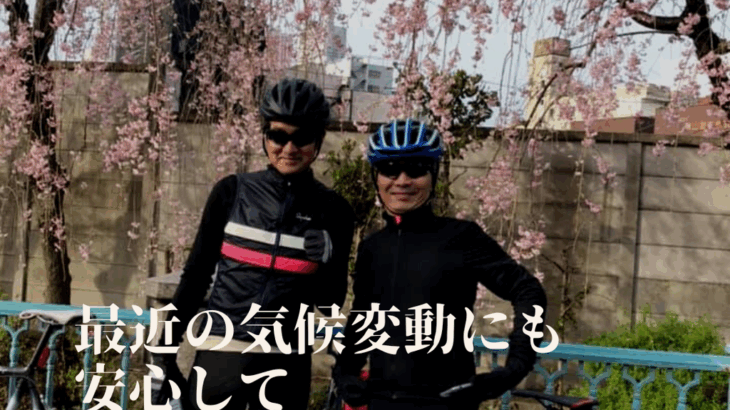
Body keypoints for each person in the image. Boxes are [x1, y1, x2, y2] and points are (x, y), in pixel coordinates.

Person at [155, 78, 356, 410]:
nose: (289, 148)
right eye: (278, 136)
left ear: (318, 141)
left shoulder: (335, 211)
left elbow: (330, 303)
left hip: (287, 362)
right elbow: (196, 276)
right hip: (222, 353)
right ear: (264, 136)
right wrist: (164, 351)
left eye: (301, 138)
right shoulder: (230, 192)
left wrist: (327, 262)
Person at [332, 119, 548, 410]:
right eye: (390, 169)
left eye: (416, 169)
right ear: (376, 177)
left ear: (432, 175)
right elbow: (363, 318)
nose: (402, 181)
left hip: (446, 402)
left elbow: (529, 290)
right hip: (381, 401)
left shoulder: (462, 237)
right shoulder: (372, 247)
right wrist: (345, 370)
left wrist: (516, 366)